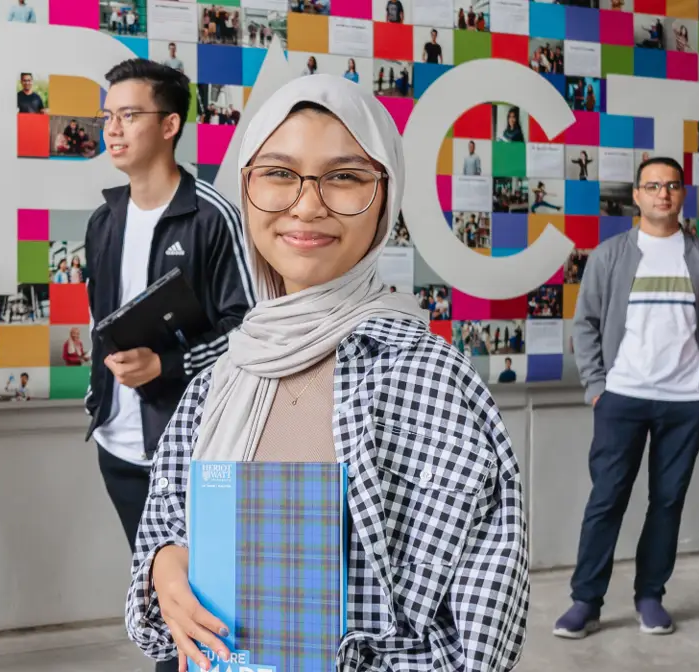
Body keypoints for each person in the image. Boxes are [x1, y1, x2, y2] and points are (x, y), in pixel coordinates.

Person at [124, 74, 527, 672]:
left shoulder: (428, 381)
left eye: (344, 176)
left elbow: (477, 635)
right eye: (279, 173)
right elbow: (164, 524)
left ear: (384, 198)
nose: (307, 204)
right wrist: (166, 565)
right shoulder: (229, 371)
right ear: (246, 187)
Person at [83, 59, 251, 672]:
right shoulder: (103, 223)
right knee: (161, 604)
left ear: (172, 124)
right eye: (108, 116)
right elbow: (103, 325)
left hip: (197, 449)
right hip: (120, 448)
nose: (113, 129)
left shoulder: (213, 216)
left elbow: (249, 330)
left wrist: (169, 364)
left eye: (129, 115)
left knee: (206, 609)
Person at [558, 156, 699, 640]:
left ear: (682, 194)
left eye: (672, 185)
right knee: (607, 498)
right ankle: (586, 602)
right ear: (636, 196)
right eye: (653, 186)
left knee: (668, 501)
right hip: (623, 397)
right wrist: (598, 388)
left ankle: (650, 597)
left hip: (686, 402)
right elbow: (587, 324)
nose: (663, 194)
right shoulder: (611, 255)